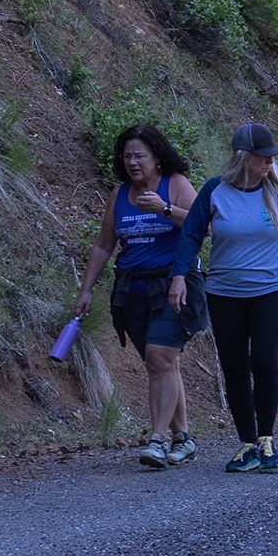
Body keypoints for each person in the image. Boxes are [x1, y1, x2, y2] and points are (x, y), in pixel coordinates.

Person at [170, 122, 278, 473]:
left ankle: (266, 439)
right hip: (224, 292)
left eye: (271, 158)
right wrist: (178, 277)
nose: (269, 163)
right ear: (243, 157)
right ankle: (247, 443)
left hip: (271, 289)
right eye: (263, 157)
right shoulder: (215, 191)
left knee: (263, 360)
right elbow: (191, 235)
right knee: (234, 365)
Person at [78, 123, 203, 466]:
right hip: (132, 288)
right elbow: (104, 244)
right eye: (127, 156)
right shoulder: (119, 195)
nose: (132, 162)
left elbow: (202, 225)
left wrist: (164, 209)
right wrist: (86, 289)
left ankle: (157, 439)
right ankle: (183, 438)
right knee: (161, 362)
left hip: (175, 283)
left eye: (140, 156)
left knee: (159, 356)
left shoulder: (175, 184)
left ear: (157, 157)